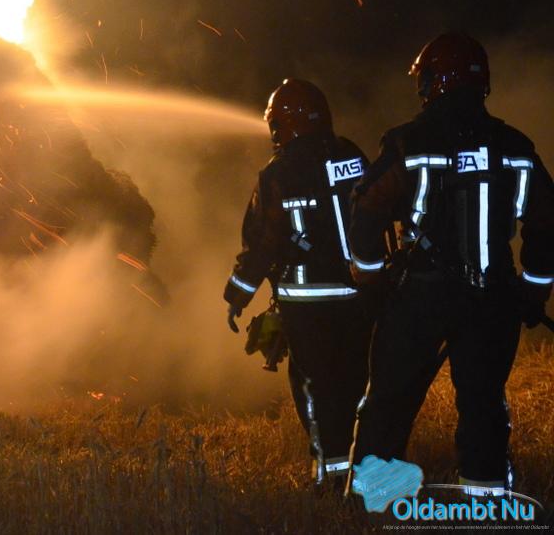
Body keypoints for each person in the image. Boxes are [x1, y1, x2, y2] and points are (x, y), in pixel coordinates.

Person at [348, 32, 554, 495]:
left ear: (432, 81)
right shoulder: (514, 145)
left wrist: (373, 280)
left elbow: (365, 212)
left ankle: (371, 499)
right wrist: (533, 288)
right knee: (483, 405)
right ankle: (487, 500)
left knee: (389, 401)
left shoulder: (408, 141)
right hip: (493, 300)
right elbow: (546, 221)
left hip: (419, 298)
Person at [224, 78, 373, 485]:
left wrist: (237, 294)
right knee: (357, 384)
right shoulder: (352, 155)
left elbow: (262, 242)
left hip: (308, 306)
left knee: (316, 391)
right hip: (361, 300)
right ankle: (364, 468)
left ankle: (332, 478)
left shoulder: (278, 173)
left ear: (282, 124)